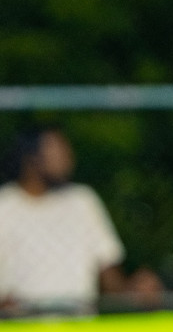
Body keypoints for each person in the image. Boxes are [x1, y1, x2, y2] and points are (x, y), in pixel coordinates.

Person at [0, 127, 161, 315]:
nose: (68, 158)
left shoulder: (82, 201)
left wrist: (134, 289)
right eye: (57, 150)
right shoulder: (5, 206)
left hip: (78, 328)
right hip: (19, 330)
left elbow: (108, 274)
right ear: (31, 158)